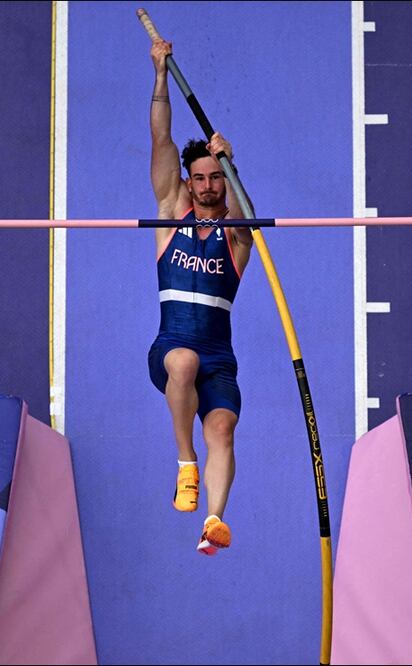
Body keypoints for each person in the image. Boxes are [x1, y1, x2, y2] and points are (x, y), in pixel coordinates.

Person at [146, 38, 253, 555]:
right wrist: (161, 74)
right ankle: (185, 465)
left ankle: (212, 522)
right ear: (187, 185)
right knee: (183, 362)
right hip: (172, 350)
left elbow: (246, 215)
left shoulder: (237, 238)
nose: (208, 185)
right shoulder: (171, 215)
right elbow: (161, 138)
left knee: (224, 429)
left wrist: (232, 165)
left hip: (220, 360)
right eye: (201, 178)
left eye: (216, 178)